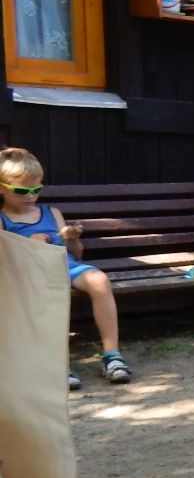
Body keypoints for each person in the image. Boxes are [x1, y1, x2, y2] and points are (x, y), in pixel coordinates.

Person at [0, 146, 132, 389]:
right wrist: (30, 245)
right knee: (45, 293)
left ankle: (112, 355)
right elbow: (6, 260)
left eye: (36, 189)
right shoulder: (2, 219)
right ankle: (57, 363)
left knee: (99, 280)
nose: (30, 196)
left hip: (64, 265)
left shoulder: (51, 213)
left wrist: (72, 238)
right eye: (22, 190)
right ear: (2, 188)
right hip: (29, 274)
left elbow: (77, 254)